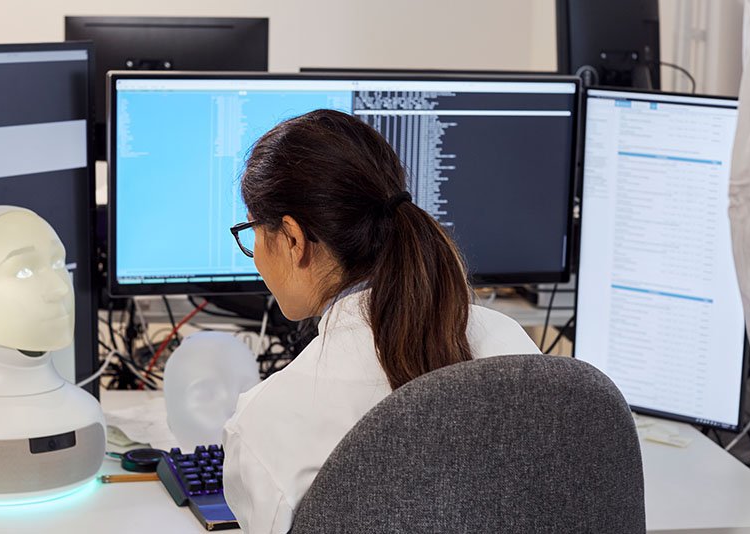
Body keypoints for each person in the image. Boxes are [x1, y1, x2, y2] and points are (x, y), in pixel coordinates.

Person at [222, 109, 539, 533]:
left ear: (294, 240)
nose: (256, 255)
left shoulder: (266, 423)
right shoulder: (513, 347)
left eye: (253, 232)